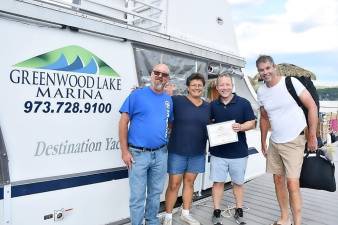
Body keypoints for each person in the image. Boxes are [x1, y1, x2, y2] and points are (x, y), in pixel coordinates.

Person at [256, 55, 317, 225]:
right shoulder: (261, 91)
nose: (265, 72)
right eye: (261, 70)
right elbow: (264, 118)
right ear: (259, 72)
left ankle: (297, 222)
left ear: (274, 67)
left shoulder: (290, 82)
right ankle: (284, 218)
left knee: (292, 184)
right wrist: (263, 141)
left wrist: (312, 135)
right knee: (277, 180)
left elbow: (312, 106)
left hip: (295, 139)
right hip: (275, 141)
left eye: (268, 68)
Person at [119, 64, 173, 225]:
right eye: (157, 73)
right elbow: (123, 122)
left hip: (161, 154)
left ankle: (151, 221)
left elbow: (169, 124)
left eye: (164, 74)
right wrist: (124, 151)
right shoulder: (137, 95)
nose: (160, 76)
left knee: (156, 193)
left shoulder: (168, 99)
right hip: (138, 155)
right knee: (137, 196)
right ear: (151, 75)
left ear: (167, 79)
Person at [162, 73, 210, 225]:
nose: (197, 88)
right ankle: (168, 216)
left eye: (199, 85)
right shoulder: (177, 100)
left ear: (203, 88)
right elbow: (166, 116)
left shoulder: (208, 106)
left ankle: (185, 213)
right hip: (177, 151)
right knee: (174, 184)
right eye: (194, 85)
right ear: (188, 87)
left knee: (189, 183)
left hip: (197, 152)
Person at [209, 74, 256, 225]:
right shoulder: (212, 105)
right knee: (218, 183)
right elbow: (208, 124)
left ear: (232, 86)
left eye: (227, 84)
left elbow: (252, 123)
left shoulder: (243, 103)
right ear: (217, 87)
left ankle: (239, 209)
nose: (224, 88)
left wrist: (242, 126)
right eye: (221, 85)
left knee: (238, 183)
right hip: (218, 153)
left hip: (239, 153)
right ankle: (216, 211)